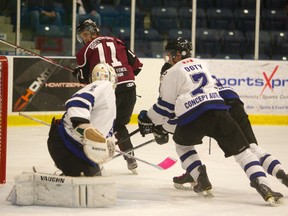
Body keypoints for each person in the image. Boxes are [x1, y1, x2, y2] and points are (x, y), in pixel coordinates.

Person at [137, 37, 284, 204]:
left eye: (170, 55)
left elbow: (165, 108)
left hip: (192, 116)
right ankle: (263, 186)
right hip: (219, 111)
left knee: (183, 145)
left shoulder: (171, 72)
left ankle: (201, 177)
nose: (168, 58)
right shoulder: (202, 63)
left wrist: (148, 119)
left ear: (178, 55)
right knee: (244, 152)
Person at [160, 55, 288, 191]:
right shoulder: (197, 71)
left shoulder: (176, 80)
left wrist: (163, 128)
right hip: (233, 104)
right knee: (252, 148)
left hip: (218, 109)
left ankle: (195, 174)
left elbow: (178, 117)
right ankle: (282, 174)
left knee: (185, 143)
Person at [73, 19, 143, 173]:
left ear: (93, 32)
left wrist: (77, 74)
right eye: (82, 36)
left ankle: (91, 161)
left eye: (85, 34)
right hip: (130, 88)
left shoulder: (84, 51)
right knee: (119, 125)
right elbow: (137, 67)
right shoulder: (118, 41)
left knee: (94, 125)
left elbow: (86, 80)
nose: (84, 38)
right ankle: (129, 156)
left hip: (109, 90)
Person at [47, 63, 117, 176]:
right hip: (67, 145)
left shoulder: (108, 97)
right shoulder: (104, 85)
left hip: (74, 148)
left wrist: (108, 141)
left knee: (95, 180)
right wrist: (82, 125)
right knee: (87, 186)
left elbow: (101, 127)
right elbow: (77, 102)